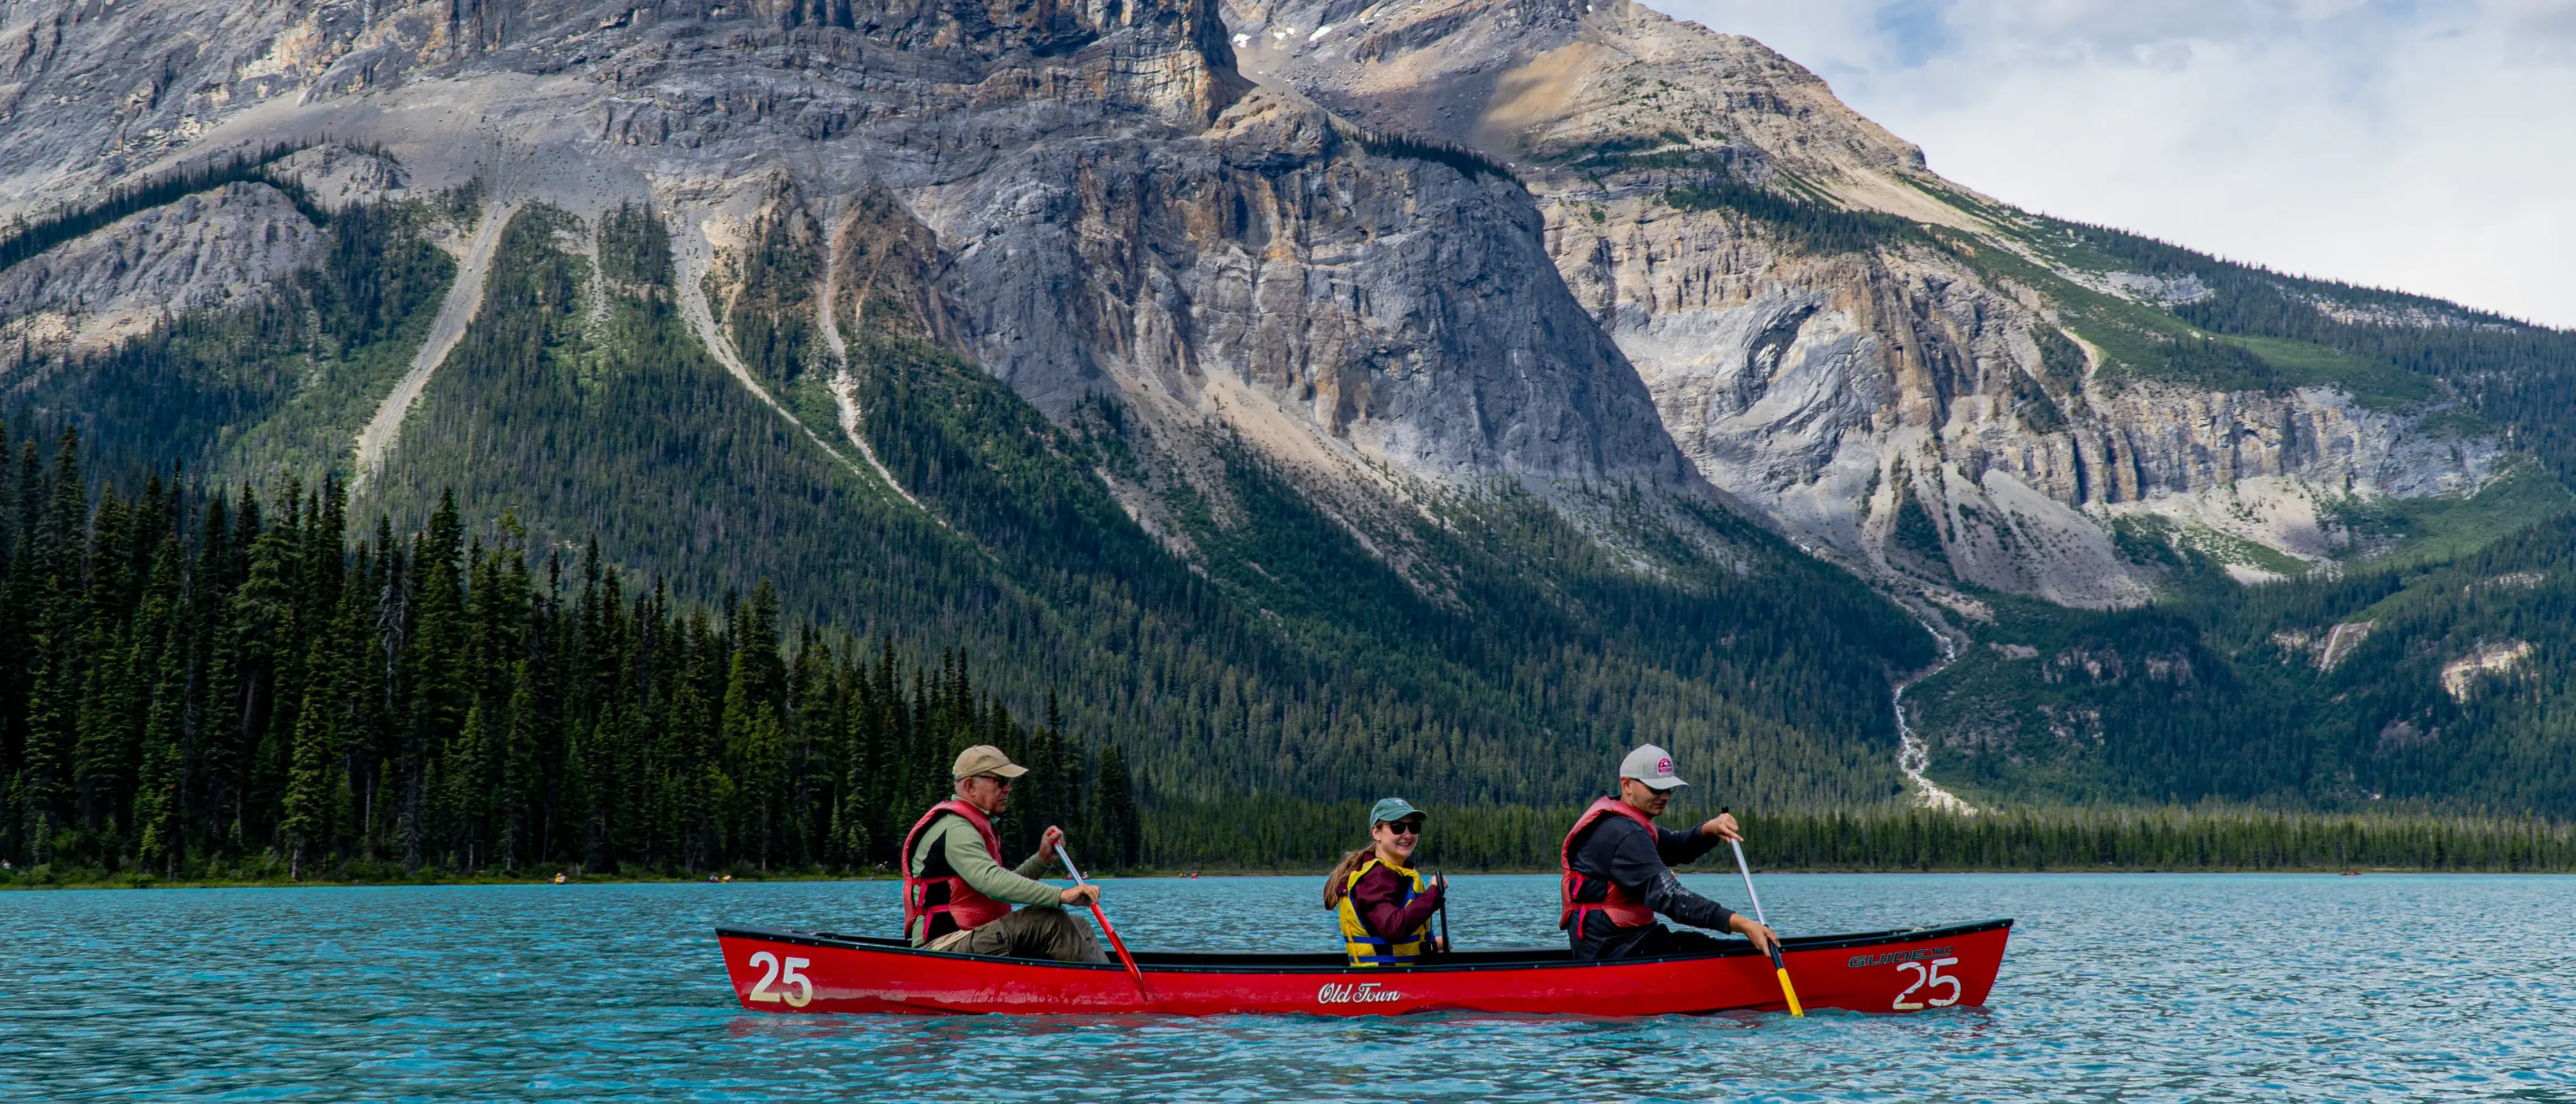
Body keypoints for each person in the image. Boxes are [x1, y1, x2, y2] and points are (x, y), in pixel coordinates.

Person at [1558, 745, 1779, 960]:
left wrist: (1709, 830)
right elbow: (1672, 898)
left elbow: (1674, 847)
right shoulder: (1623, 834)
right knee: (1706, 950)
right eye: (1656, 789)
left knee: (1696, 944)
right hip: (1615, 950)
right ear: (1627, 785)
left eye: (1669, 789)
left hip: (1624, 942)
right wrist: (1743, 924)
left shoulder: (1627, 822)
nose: (1665, 796)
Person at [901, 744, 1109, 963]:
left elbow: (995, 893)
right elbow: (993, 882)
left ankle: (1110, 984)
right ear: (971, 786)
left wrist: (1042, 860)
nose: (1008, 789)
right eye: (1001, 782)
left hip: (973, 937)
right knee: (1050, 920)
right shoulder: (956, 830)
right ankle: (1107, 992)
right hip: (945, 946)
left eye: (1008, 783)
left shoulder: (971, 824)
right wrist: (1061, 896)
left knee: (1079, 925)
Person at [1322, 798, 1448, 966]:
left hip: (1401, 978)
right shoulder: (1374, 879)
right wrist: (1433, 893)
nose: (1408, 834)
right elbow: (1393, 928)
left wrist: (1433, 944)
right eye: (1397, 827)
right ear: (1377, 833)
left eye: (1414, 827)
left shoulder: (1394, 874)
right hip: (1381, 985)